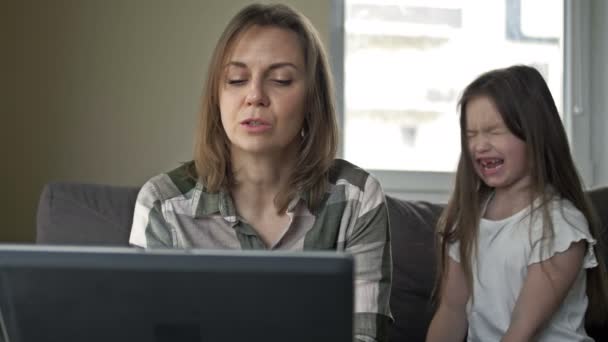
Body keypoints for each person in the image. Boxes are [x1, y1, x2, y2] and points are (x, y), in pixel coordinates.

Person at [129, 3, 391, 341]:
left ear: (313, 99)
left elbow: (365, 335)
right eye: (237, 80)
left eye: (281, 80)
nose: (254, 96)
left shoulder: (357, 199)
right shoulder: (162, 205)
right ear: (217, 97)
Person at [426, 65, 608, 341]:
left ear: (534, 133)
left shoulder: (561, 227)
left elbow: (521, 331)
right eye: (471, 134)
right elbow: (451, 312)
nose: (479, 145)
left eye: (493, 131)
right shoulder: (468, 219)